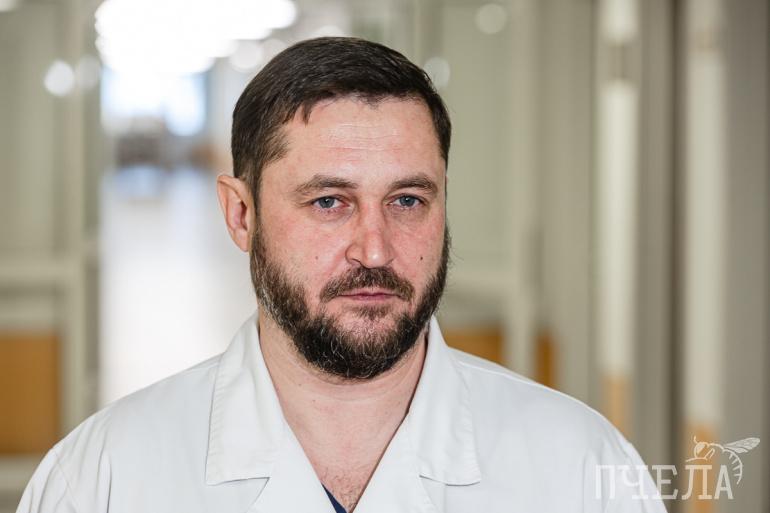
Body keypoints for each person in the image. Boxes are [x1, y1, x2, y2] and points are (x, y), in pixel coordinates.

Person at [17, 37, 666, 513]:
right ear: (240, 215)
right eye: (329, 201)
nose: (375, 250)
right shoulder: (102, 480)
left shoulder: (582, 469)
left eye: (407, 200)